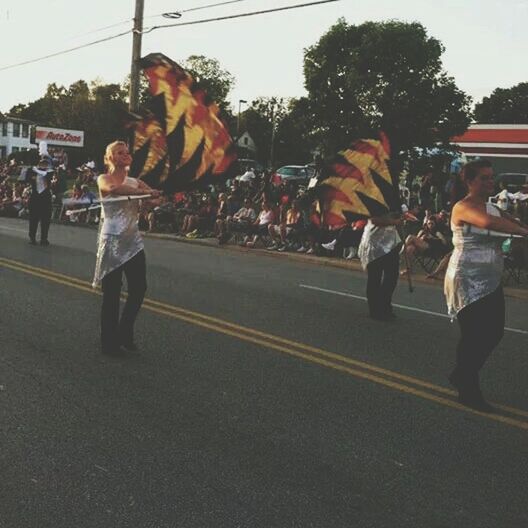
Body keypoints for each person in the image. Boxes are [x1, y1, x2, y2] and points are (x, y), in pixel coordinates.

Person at [444, 159, 528, 412]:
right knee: (474, 335)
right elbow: (489, 224)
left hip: (491, 278)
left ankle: (461, 374)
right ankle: (468, 388)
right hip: (467, 278)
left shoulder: (492, 207)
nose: (490, 182)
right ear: (469, 181)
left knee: (494, 332)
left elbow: (513, 223)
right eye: (484, 178)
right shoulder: (463, 207)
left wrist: (522, 226)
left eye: (492, 177)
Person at [92, 141, 160, 356]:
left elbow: (150, 203)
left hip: (133, 242)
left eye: (127, 152)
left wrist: (153, 197)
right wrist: (144, 193)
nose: (125, 155)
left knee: (139, 289)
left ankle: (125, 331)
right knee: (111, 294)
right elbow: (115, 189)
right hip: (112, 241)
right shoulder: (104, 179)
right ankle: (109, 342)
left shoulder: (136, 182)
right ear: (110, 158)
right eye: (119, 153)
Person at [358, 212, 404, 320]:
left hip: (391, 242)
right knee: (375, 277)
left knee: (392, 276)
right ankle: (375, 310)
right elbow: (374, 220)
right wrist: (394, 222)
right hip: (374, 242)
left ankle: (384, 305)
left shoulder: (393, 200)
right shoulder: (374, 196)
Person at [27, 157, 54, 246]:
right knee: (33, 219)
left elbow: (46, 174)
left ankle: (44, 239)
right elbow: (27, 178)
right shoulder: (33, 172)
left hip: (45, 199)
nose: (43, 165)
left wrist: (37, 170)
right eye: (42, 163)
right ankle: (32, 237)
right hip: (35, 198)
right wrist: (32, 169)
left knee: (45, 220)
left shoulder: (49, 172)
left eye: (45, 164)